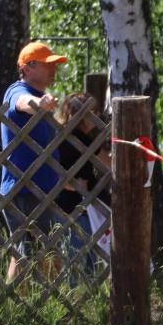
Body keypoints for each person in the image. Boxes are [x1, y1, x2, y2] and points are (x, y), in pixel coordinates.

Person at [0, 41, 68, 280]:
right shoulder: (17, 90)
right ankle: (28, 300)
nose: (53, 69)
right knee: (30, 254)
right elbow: (21, 102)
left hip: (39, 188)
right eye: (47, 64)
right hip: (24, 188)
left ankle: (32, 300)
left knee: (34, 253)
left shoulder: (38, 94)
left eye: (54, 65)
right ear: (27, 68)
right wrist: (39, 104)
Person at [54, 92, 111, 273]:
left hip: (69, 206)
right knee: (81, 260)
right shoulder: (79, 139)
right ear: (79, 113)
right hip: (77, 208)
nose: (98, 115)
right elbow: (110, 164)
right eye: (93, 112)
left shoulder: (64, 136)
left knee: (79, 258)